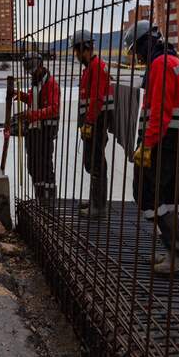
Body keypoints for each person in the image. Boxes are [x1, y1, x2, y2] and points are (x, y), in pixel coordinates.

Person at [123, 20, 179, 274]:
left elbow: (160, 110)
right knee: (175, 197)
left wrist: (147, 145)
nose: (139, 58)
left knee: (151, 195)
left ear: (145, 43)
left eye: (137, 51)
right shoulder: (175, 62)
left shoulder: (160, 64)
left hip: (165, 140)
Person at [72, 29, 113, 218]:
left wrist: (88, 122)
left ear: (84, 48)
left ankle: (99, 207)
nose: (76, 55)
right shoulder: (91, 67)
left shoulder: (96, 67)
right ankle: (96, 200)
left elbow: (97, 98)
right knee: (91, 162)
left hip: (96, 121)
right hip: (93, 121)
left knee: (96, 163)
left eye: (77, 51)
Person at [11, 52, 60, 201]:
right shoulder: (36, 84)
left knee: (45, 165)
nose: (32, 73)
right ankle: (40, 196)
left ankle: (49, 199)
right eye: (30, 71)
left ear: (40, 65)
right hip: (34, 130)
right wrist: (20, 95)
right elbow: (34, 102)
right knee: (33, 165)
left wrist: (31, 115)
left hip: (45, 130)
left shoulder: (50, 83)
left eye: (33, 70)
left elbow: (54, 108)